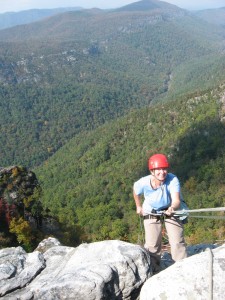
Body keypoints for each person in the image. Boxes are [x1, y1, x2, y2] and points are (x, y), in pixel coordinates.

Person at [133, 153, 187, 272]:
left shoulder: (172, 179)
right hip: (151, 210)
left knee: (177, 241)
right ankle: (155, 269)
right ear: (152, 171)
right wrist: (138, 206)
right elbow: (135, 191)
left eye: (164, 169)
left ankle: (182, 268)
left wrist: (172, 208)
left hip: (170, 207)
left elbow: (176, 200)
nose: (162, 172)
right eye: (158, 169)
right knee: (152, 245)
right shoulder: (143, 182)